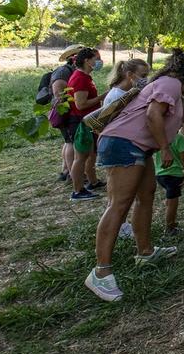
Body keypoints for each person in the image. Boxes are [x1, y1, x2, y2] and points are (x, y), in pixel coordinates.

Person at [85, 51, 184, 302]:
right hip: (124, 143)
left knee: (146, 195)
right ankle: (101, 272)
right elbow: (152, 115)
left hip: (138, 147)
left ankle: (145, 251)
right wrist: (165, 148)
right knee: (119, 204)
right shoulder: (171, 83)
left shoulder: (172, 89)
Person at [97, 59, 150, 241]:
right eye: (143, 76)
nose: (145, 80)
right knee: (118, 197)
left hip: (129, 146)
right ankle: (118, 226)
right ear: (129, 75)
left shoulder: (128, 93)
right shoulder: (116, 96)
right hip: (119, 148)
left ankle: (123, 225)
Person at [68, 48, 105, 201]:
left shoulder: (85, 77)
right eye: (96, 59)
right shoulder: (80, 78)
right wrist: (102, 97)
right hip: (81, 122)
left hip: (88, 121)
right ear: (87, 61)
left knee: (90, 154)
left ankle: (92, 182)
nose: (99, 61)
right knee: (80, 157)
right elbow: (81, 104)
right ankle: (78, 190)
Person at [50, 44, 84, 182]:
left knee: (68, 140)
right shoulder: (63, 71)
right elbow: (58, 92)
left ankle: (66, 170)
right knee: (70, 142)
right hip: (65, 111)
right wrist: (68, 106)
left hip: (69, 110)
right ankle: (72, 173)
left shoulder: (73, 70)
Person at [153, 121, 184, 236]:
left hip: (160, 174)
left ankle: (171, 223)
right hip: (174, 175)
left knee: (170, 199)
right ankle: (170, 227)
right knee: (173, 203)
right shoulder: (178, 138)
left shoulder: (159, 138)